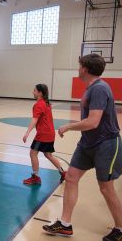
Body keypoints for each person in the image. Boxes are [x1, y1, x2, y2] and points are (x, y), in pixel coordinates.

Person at [43, 54, 122, 241]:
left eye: (79, 66)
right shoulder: (91, 88)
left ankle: (120, 227)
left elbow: (93, 122)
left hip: (106, 144)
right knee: (71, 177)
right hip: (87, 143)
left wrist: (68, 126)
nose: (78, 69)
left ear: (85, 68)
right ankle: (65, 225)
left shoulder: (100, 89)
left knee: (106, 188)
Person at [22, 84, 66, 185]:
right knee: (48, 154)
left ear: (40, 93)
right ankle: (63, 173)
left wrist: (27, 133)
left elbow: (34, 120)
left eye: (34, 91)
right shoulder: (47, 103)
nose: (33, 92)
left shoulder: (38, 105)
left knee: (33, 153)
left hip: (43, 134)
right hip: (50, 133)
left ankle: (35, 177)